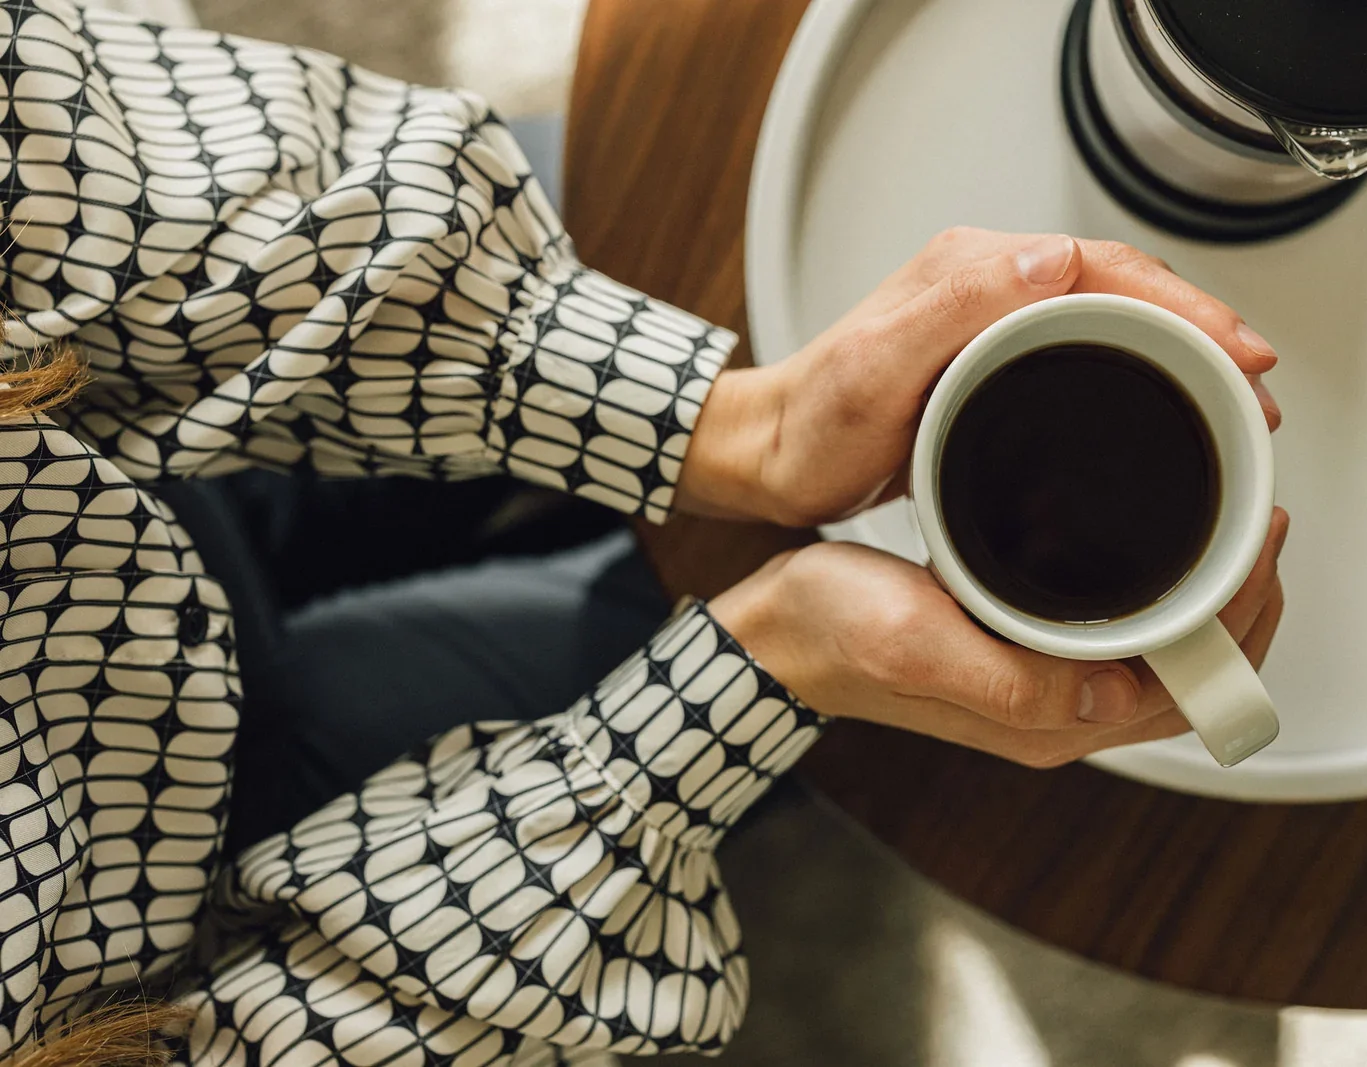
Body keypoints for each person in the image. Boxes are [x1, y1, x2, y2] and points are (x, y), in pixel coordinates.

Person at [0, 0, 1288, 1064]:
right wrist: (764, 670)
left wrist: (749, 428)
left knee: (629, 220)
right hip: (182, 911)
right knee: (699, 663)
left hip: (74, 419)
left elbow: (59, 150)